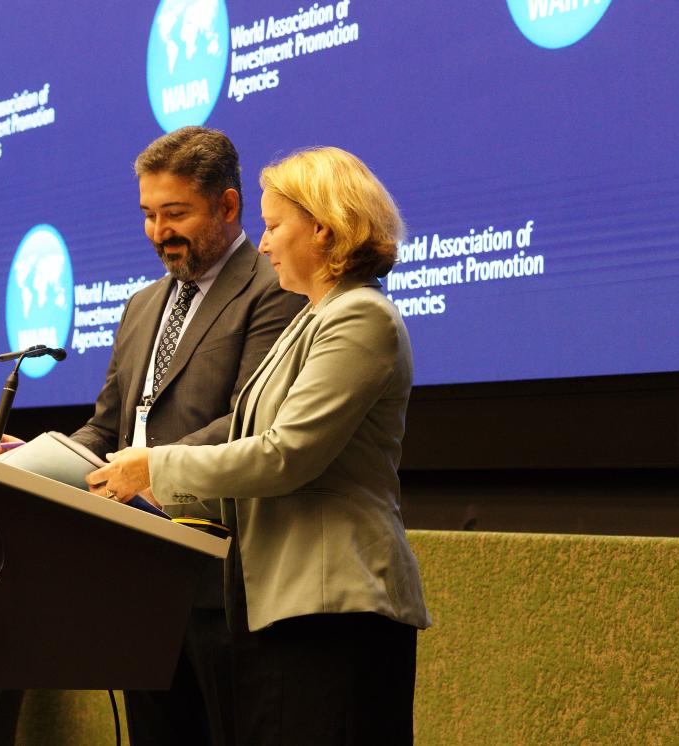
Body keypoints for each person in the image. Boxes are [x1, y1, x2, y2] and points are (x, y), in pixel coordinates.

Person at [89, 147, 431, 744]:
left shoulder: (360, 318)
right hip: (283, 604)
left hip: (335, 606)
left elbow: (283, 454)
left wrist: (154, 468)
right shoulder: (311, 319)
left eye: (274, 226)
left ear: (322, 228)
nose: (264, 244)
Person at [0, 127, 303, 745]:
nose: (160, 232)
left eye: (177, 213)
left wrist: (149, 466)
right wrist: (46, 458)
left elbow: (247, 418)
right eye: (149, 216)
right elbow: (109, 426)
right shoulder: (140, 306)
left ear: (229, 206)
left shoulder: (273, 290)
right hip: (137, 575)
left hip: (222, 576)